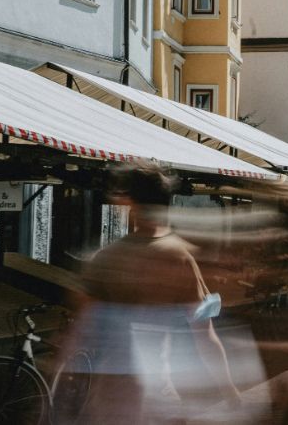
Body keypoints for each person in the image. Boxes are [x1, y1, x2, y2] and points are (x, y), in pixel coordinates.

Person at [73, 161, 244, 422]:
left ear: (128, 202)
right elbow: (205, 336)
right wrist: (229, 390)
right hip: (157, 401)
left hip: (110, 400)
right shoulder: (181, 258)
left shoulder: (106, 258)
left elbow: (80, 331)